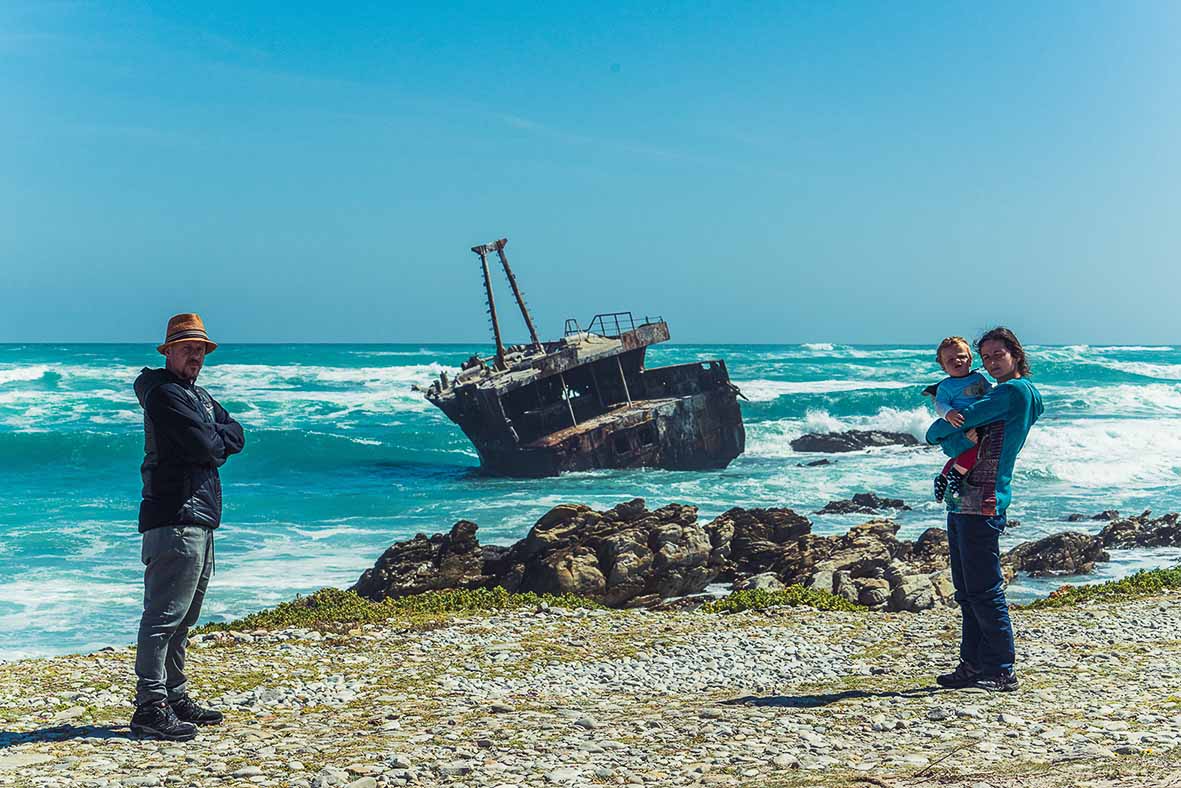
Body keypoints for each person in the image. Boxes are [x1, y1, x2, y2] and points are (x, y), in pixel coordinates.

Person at [130, 314, 245, 740]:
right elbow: (207, 446)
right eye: (187, 347)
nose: (195, 354)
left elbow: (236, 435)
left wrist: (214, 436)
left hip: (198, 516)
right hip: (175, 515)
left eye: (200, 348)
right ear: (169, 352)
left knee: (184, 616)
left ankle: (175, 695)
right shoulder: (165, 396)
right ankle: (150, 705)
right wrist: (214, 439)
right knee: (163, 616)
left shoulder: (197, 395)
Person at [925, 327, 1043, 693]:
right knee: (966, 589)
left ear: (1016, 354)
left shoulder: (1013, 392)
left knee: (985, 589)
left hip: (984, 498)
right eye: (987, 356)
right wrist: (954, 436)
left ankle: (1001, 668)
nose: (991, 363)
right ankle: (973, 664)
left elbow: (937, 431)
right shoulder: (1016, 393)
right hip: (964, 498)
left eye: (998, 355)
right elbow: (959, 432)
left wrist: (940, 433)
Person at [923, 337, 992, 503]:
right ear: (943, 366)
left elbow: (991, 393)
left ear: (970, 359)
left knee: (962, 455)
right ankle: (956, 475)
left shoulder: (978, 378)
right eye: (950, 360)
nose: (957, 361)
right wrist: (949, 413)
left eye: (961, 356)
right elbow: (940, 404)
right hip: (957, 424)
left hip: (976, 422)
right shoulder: (946, 386)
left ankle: (943, 477)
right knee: (970, 451)